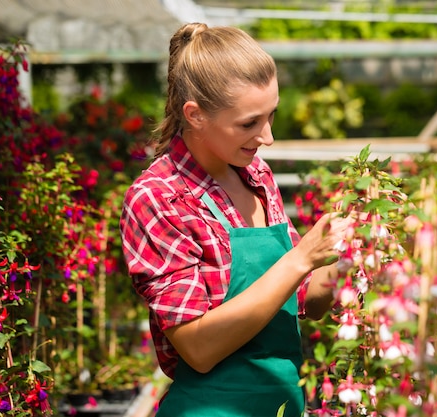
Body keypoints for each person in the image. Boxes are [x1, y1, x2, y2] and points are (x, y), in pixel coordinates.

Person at [120, 22, 352, 417]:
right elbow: (198, 349)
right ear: (194, 115)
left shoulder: (256, 175)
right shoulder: (159, 197)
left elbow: (302, 302)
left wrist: (346, 255)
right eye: (249, 123)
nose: (267, 137)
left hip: (283, 404)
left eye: (270, 115)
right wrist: (299, 259)